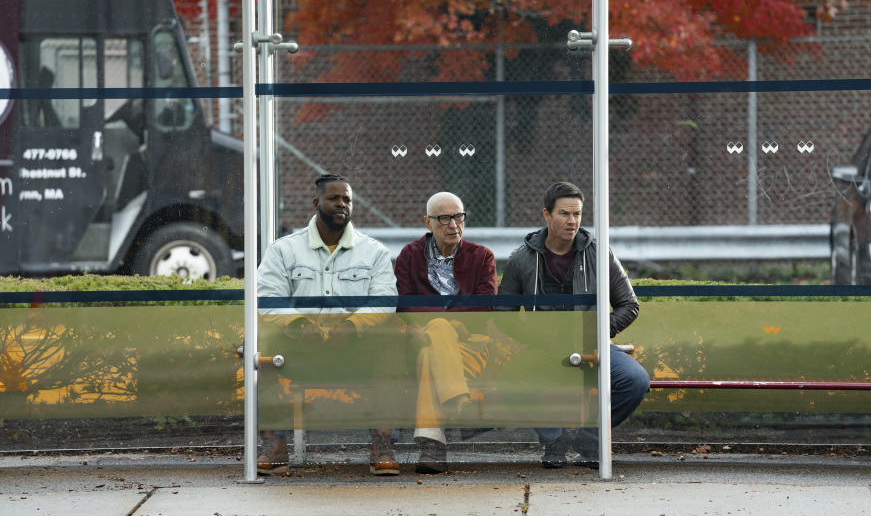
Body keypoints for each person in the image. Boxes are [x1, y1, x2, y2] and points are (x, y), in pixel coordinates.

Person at [256, 173, 400, 476]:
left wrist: (352, 326)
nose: (342, 204)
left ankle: (382, 445)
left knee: (391, 350)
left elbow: (385, 300)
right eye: (334, 198)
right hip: (299, 348)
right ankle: (274, 446)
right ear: (316, 202)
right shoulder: (284, 250)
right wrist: (297, 324)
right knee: (265, 351)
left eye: (347, 199)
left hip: (357, 347)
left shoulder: (373, 251)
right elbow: (268, 297)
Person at [498, 181, 649, 468]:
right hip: (542, 349)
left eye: (577, 214)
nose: (572, 221)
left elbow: (630, 305)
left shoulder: (599, 253)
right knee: (506, 379)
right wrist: (534, 338)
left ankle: (589, 439)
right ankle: (554, 440)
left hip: (593, 346)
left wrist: (597, 332)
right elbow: (502, 314)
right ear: (547, 215)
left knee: (635, 381)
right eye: (565, 214)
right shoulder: (521, 259)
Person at [394, 192, 498, 473]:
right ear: (428, 222)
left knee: (430, 354)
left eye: (459, 217)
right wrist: (441, 324)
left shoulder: (482, 256)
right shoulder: (409, 255)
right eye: (444, 218)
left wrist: (444, 324)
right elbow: (404, 304)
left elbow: (485, 304)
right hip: (423, 339)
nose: (453, 225)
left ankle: (432, 449)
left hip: (471, 345)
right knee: (433, 339)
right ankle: (458, 403)